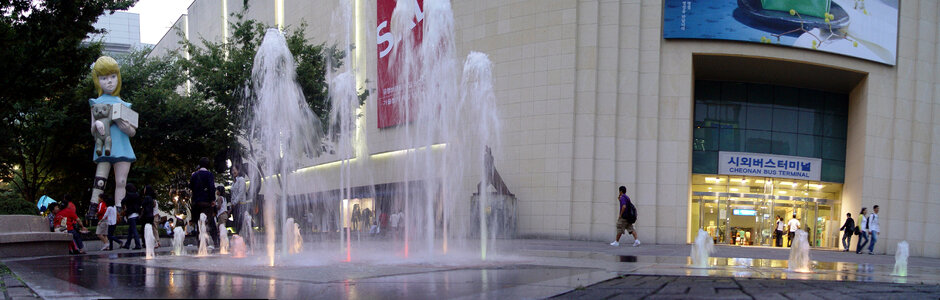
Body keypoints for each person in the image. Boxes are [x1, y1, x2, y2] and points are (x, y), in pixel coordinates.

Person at [87, 56, 137, 213]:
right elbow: (92, 128)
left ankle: (119, 210)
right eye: (104, 78)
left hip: (122, 145)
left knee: (121, 180)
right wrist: (98, 126)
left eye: (113, 76)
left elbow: (132, 131)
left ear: (118, 77)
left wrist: (125, 127)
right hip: (103, 144)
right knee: (100, 179)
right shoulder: (95, 102)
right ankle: (93, 207)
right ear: (98, 80)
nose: (109, 81)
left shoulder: (125, 105)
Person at [190, 157, 218, 246]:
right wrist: (212, 200)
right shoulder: (209, 174)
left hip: (197, 203)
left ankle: (200, 243)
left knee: (199, 222)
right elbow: (211, 187)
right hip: (206, 203)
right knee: (210, 222)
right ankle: (216, 242)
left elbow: (191, 187)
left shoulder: (194, 175)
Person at [121, 183, 142, 250]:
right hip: (136, 214)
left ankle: (138, 245)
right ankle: (127, 244)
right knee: (130, 230)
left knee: (134, 230)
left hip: (131, 215)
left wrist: (124, 208)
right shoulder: (137, 195)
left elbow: (122, 201)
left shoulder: (128, 195)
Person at [230, 164, 248, 234]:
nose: (233, 172)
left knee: (240, 222)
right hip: (235, 205)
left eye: (234, 170)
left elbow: (241, 193)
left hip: (240, 204)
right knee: (236, 223)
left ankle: (243, 238)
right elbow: (233, 194)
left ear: (238, 170)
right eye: (232, 170)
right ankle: (238, 238)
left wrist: (234, 202)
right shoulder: (234, 182)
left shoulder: (241, 180)